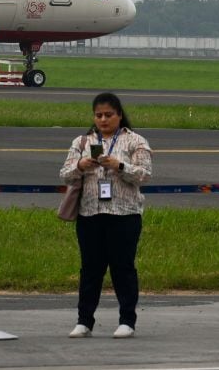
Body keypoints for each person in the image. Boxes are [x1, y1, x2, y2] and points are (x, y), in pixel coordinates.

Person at [59, 91, 153, 340]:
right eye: (99, 115)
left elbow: (145, 175)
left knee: (123, 268)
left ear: (119, 115)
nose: (103, 120)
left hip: (124, 214)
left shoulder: (135, 141)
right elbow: (65, 174)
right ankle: (84, 321)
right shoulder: (82, 141)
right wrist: (81, 166)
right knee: (90, 269)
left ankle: (127, 320)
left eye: (109, 115)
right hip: (90, 213)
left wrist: (119, 166)